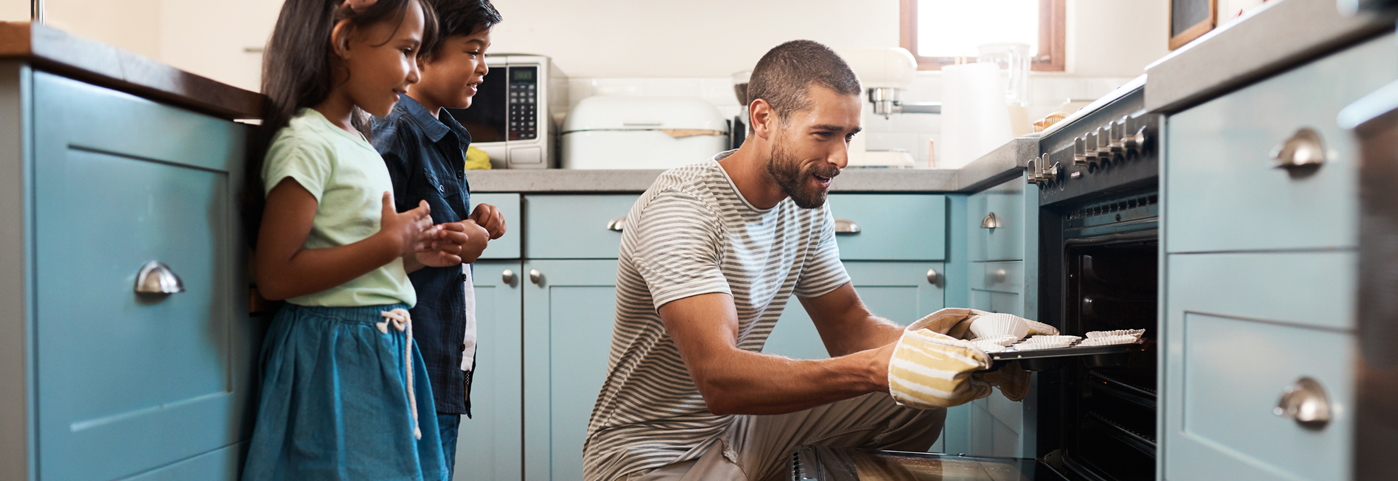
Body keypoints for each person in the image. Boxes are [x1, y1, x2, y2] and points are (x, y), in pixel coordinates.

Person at [582, 40, 946, 481]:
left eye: (848, 136)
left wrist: (955, 349)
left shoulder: (802, 203)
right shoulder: (683, 207)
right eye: (824, 133)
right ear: (763, 118)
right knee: (889, 378)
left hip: (736, 433)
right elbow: (720, 378)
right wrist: (874, 369)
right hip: (648, 455)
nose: (842, 158)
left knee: (912, 400)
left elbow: (849, 326)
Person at [240, 0, 465, 479]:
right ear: (344, 42)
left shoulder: (356, 140)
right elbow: (277, 275)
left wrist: (414, 254)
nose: (412, 72)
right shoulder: (306, 142)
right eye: (406, 50)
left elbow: (354, 262)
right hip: (334, 355)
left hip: (379, 345)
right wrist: (388, 245)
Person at [370, 0, 506, 477]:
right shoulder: (397, 131)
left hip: (443, 363)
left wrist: (472, 222)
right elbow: (375, 242)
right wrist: (451, 241)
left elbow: (427, 223)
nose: (484, 67)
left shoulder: (441, 134)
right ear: (421, 55)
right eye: (473, 51)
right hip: (414, 363)